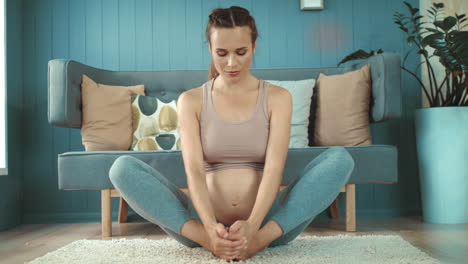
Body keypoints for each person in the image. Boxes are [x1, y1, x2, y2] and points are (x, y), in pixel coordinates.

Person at [109, 6, 355, 262]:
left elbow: (273, 169)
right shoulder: (191, 100)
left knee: (341, 159)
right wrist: (208, 231)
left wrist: (254, 230)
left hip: (267, 225)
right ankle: (211, 242)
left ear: (254, 47)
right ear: (210, 50)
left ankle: (258, 242)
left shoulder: (278, 98)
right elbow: (193, 170)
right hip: (200, 225)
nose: (231, 63)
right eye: (221, 53)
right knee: (121, 168)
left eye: (241, 52)